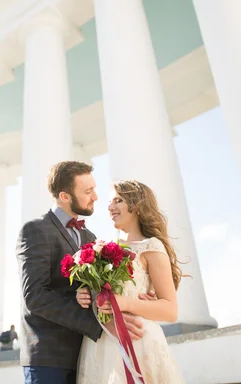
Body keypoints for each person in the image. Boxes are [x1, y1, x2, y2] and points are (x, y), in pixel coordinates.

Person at [16, 162, 153, 384]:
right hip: (49, 358)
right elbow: (35, 296)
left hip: (88, 356)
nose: (96, 197)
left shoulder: (91, 238)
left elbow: (100, 290)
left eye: (94, 189)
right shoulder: (35, 230)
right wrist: (99, 325)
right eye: (87, 191)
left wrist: (138, 296)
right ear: (65, 196)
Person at [76, 180, 185, 383]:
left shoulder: (151, 246)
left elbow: (170, 310)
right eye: (110, 202)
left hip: (138, 341)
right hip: (102, 344)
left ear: (136, 205)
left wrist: (125, 303)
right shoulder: (102, 251)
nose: (110, 207)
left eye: (118, 200)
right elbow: (99, 299)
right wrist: (84, 295)